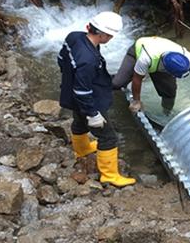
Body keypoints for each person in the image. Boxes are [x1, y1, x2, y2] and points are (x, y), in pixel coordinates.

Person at [58, 11, 136, 187]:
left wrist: (69, 77)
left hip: (70, 93)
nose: (110, 38)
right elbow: (83, 91)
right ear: (103, 35)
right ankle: (109, 175)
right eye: (110, 35)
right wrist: (93, 114)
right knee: (109, 137)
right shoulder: (89, 60)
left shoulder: (74, 37)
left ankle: (82, 150)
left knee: (78, 121)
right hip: (89, 99)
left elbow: (61, 59)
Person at [112, 36, 190, 114]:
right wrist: (136, 101)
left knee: (170, 92)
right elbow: (137, 79)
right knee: (118, 83)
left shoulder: (184, 56)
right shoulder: (145, 58)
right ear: (168, 70)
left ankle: (166, 113)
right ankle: (112, 78)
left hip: (159, 56)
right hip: (138, 51)